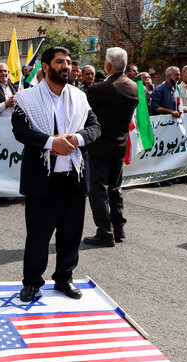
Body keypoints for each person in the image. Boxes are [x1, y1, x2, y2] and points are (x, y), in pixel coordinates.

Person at [11, 47, 100, 302]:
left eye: (69, 62)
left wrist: (77, 138)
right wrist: (51, 143)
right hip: (42, 181)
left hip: (73, 178)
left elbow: (95, 127)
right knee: (38, 236)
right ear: (46, 68)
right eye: (60, 62)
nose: (66, 66)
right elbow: (20, 131)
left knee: (71, 235)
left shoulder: (80, 98)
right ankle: (32, 283)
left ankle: (64, 278)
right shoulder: (25, 98)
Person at [83, 47, 138, 247]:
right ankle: (119, 228)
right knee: (115, 187)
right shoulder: (133, 86)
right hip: (120, 144)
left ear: (107, 65)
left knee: (98, 189)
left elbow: (84, 115)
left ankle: (105, 231)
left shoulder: (98, 89)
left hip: (99, 145)